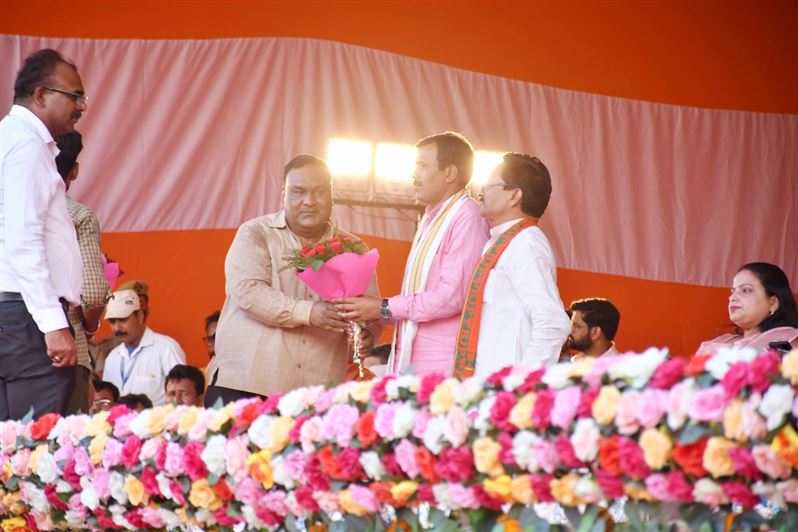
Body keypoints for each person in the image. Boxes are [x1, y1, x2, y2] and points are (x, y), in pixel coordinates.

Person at [205, 154, 382, 406]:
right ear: (283, 192)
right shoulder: (256, 232)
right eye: (299, 192)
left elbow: (369, 310)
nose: (309, 201)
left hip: (313, 395)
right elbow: (247, 291)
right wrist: (310, 312)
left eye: (319, 192)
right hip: (245, 384)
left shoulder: (353, 247)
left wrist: (367, 335)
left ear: (332, 194)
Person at [335, 132, 490, 376]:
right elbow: (418, 296)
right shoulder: (432, 217)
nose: (413, 174)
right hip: (413, 359)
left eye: (422, 166)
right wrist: (377, 320)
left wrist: (383, 308)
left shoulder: (467, 217)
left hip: (442, 366)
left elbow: (451, 297)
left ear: (450, 173)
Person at [0, 49, 88, 420]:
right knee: (35, 453)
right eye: (74, 97)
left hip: (15, 311)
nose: (81, 107)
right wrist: (53, 324)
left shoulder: (10, 138)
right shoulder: (26, 145)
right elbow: (22, 240)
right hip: (27, 317)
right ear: (40, 95)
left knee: (10, 452)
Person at [452, 153, 571, 379]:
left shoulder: (527, 244)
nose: (481, 190)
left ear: (515, 195)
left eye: (490, 184)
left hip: (503, 391)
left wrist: (520, 384)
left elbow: (553, 324)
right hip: (481, 385)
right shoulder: (499, 242)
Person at [55, 131, 112, 414]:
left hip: (11, 346)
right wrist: (90, 328)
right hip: (68, 348)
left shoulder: (10, 213)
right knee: (63, 446)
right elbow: (93, 293)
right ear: (74, 170)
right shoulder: (77, 216)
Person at [102, 289, 186, 405]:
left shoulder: (166, 349)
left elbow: (182, 396)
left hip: (158, 423)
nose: (117, 328)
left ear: (140, 316)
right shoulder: (112, 357)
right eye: (112, 321)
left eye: (123, 319)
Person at [698, 262, 798, 354]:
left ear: (773, 303)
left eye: (746, 290)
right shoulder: (720, 341)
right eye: (733, 291)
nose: (732, 297)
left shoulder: (786, 341)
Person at [90, 279, 149, 377]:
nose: (117, 326)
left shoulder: (164, 349)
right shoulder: (109, 352)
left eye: (142, 305)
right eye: (113, 320)